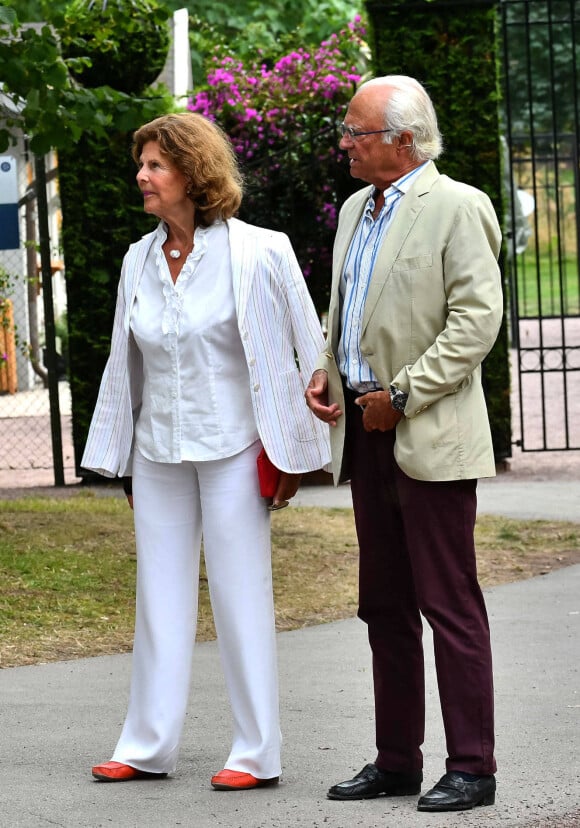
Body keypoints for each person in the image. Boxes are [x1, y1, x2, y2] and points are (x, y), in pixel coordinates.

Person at [81, 112, 330, 790]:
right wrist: (124, 456)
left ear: (193, 174)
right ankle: (146, 745)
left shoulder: (262, 250)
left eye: (155, 165)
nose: (142, 176)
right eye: (142, 165)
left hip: (234, 449)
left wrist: (293, 450)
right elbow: (121, 364)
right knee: (156, 598)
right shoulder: (138, 257)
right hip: (158, 449)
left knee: (239, 596)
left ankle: (255, 754)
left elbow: (311, 355)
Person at [305, 75, 503, 813]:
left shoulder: (457, 207)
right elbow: (347, 313)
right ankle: (396, 761)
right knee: (383, 604)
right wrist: (330, 375)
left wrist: (404, 395)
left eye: (356, 132)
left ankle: (472, 767)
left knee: (448, 602)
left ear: (404, 141)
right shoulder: (357, 208)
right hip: (364, 432)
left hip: (428, 432)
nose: (345, 143)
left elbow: (476, 323)